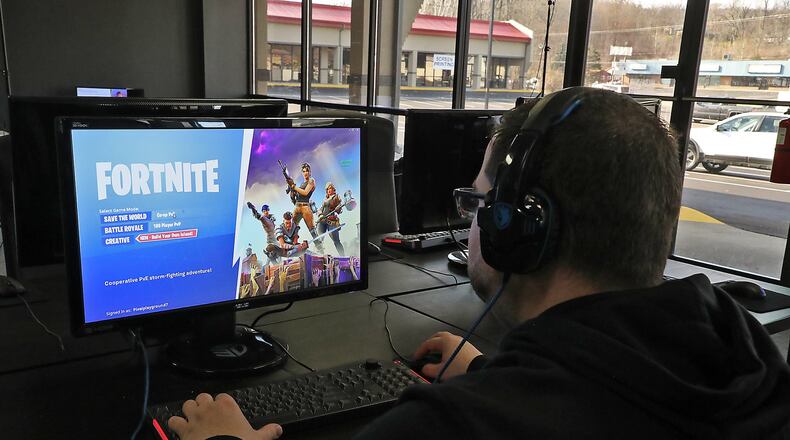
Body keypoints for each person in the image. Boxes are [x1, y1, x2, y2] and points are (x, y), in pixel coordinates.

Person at [167, 88, 790, 439]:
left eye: (479, 200)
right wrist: (499, 372)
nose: (472, 217)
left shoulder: (448, 430)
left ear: (520, 226)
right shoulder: (751, 371)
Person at [316, 182, 345, 255]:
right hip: (322, 221)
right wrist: (320, 215)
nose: (329, 190)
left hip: (331, 221)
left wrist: (339, 207)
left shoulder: (336, 197)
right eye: (328, 189)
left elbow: (339, 210)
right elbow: (320, 209)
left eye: (330, 188)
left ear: (333, 189)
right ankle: (318, 256)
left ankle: (343, 256)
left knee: (336, 241)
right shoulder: (325, 200)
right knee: (319, 241)